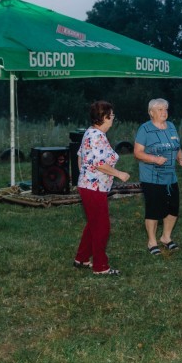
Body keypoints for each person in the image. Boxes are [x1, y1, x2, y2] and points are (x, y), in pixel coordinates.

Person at [75, 100, 130, 275]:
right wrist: (118, 173)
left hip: (90, 185)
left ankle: (82, 258)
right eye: (112, 115)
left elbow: (80, 156)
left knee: (93, 224)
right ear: (105, 117)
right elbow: (98, 163)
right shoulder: (96, 136)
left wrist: (84, 175)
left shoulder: (91, 133)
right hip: (94, 188)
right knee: (102, 227)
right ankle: (100, 266)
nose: (113, 119)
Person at [134, 98, 182, 255]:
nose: (164, 112)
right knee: (154, 210)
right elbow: (137, 153)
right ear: (151, 112)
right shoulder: (145, 129)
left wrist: (180, 158)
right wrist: (155, 159)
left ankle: (166, 237)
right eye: (160, 110)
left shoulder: (171, 126)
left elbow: (176, 146)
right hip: (152, 177)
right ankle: (152, 241)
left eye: (166, 109)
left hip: (171, 177)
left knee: (173, 208)